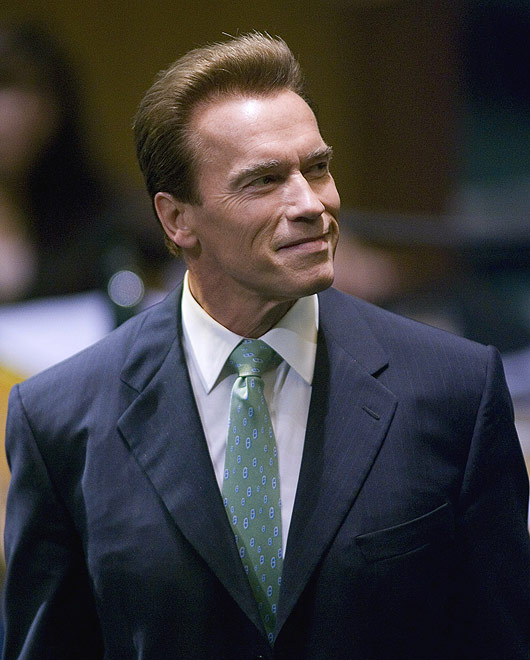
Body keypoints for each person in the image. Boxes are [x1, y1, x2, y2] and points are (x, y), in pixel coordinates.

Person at [3, 32, 530, 660]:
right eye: (264, 181)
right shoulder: (59, 417)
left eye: (317, 168)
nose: (311, 203)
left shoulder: (454, 390)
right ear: (176, 220)